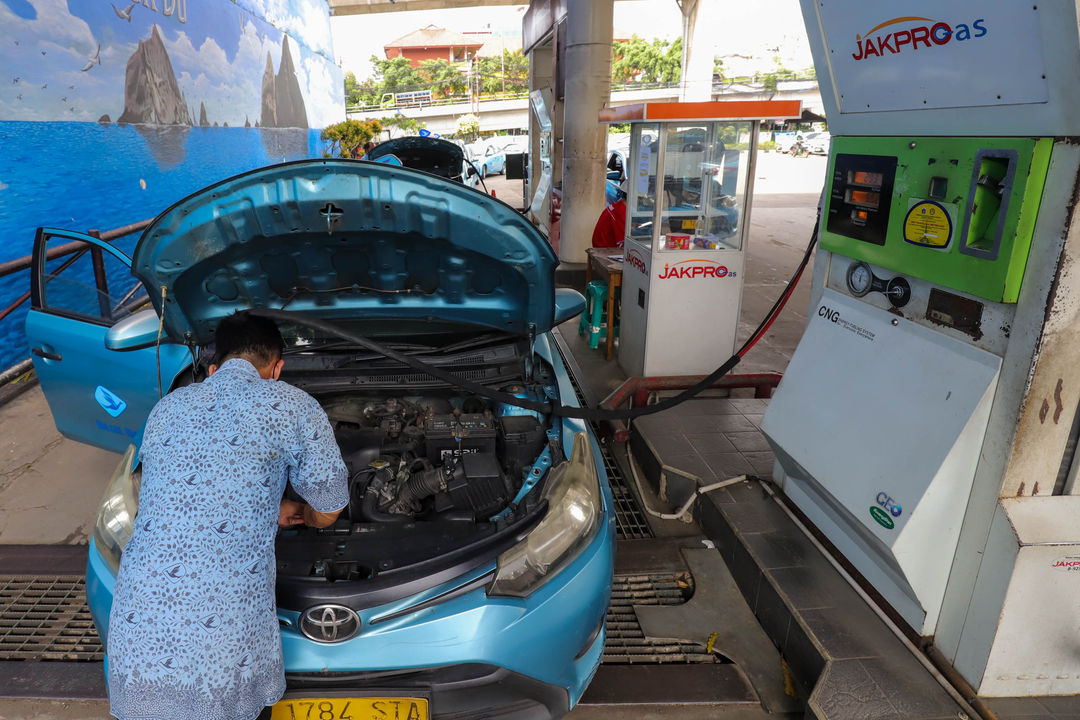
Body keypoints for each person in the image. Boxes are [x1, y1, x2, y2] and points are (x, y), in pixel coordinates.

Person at [106, 311, 349, 720]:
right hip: (220, 625)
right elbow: (329, 508)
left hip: (140, 614)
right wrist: (305, 515)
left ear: (214, 368)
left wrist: (266, 508)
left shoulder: (168, 407)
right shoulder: (294, 406)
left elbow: (167, 490)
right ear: (277, 369)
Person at [591, 179, 627, 249]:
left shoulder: (618, 206)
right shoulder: (621, 211)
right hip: (605, 249)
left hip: (602, 245)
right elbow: (623, 244)